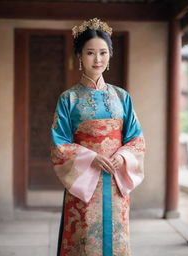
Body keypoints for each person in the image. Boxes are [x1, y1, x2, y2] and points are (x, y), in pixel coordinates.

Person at [50, 17, 146, 256]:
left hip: (115, 181)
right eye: (90, 53)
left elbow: (136, 139)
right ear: (79, 56)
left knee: (117, 237)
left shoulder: (122, 97)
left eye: (103, 52)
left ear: (110, 55)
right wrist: (89, 157)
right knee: (85, 239)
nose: (98, 59)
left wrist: (123, 156)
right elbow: (59, 143)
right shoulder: (68, 99)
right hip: (84, 182)